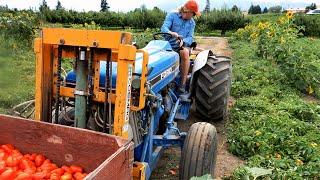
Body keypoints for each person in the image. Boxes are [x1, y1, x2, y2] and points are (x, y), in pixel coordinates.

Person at [161, 0, 201, 94]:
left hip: (183, 47)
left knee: (185, 52)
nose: (193, 16)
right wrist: (171, 33)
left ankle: (182, 84)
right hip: (168, 45)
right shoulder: (172, 15)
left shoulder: (192, 23)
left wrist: (183, 41)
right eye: (193, 14)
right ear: (188, 11)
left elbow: (190, 37)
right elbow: (164, 28)